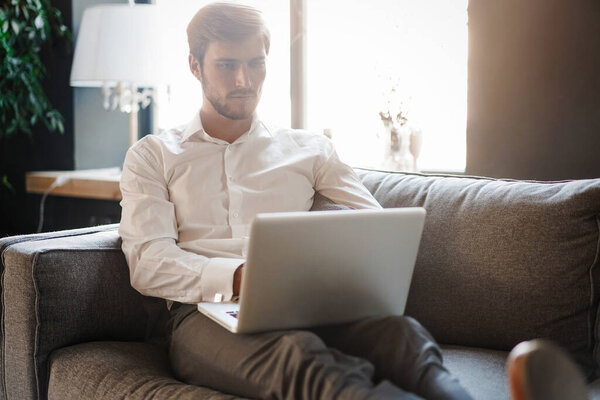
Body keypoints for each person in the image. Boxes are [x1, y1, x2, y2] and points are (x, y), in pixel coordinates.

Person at [118, 3, 587, 400]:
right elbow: (148, 262)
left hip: (305, 302)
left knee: (402, 336)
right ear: (195, 66)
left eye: (256, 63)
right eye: (226, 65)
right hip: (201, 314)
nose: (244, 79)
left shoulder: (308, 148)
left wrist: (331, 272)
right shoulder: (154, 155)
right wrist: (240, 276)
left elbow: (374, 224)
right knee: (302, 358)